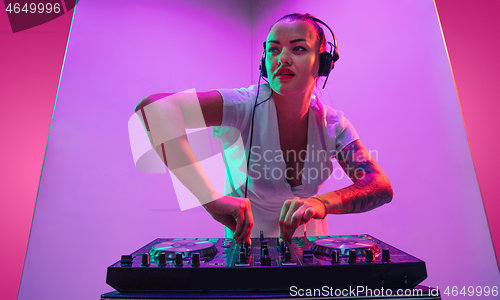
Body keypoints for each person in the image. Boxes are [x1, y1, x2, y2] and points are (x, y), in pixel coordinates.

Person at [134, 13, 393, 244]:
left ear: (322, 64)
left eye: (298, 49)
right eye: (273, 50)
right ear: (264, 62)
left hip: (311, 264)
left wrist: (320, 203)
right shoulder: (243, 105)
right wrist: (209, 198)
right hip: (244, 265)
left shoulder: (333, 125)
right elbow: (154, 108)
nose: (283, 59)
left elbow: (379, 185)